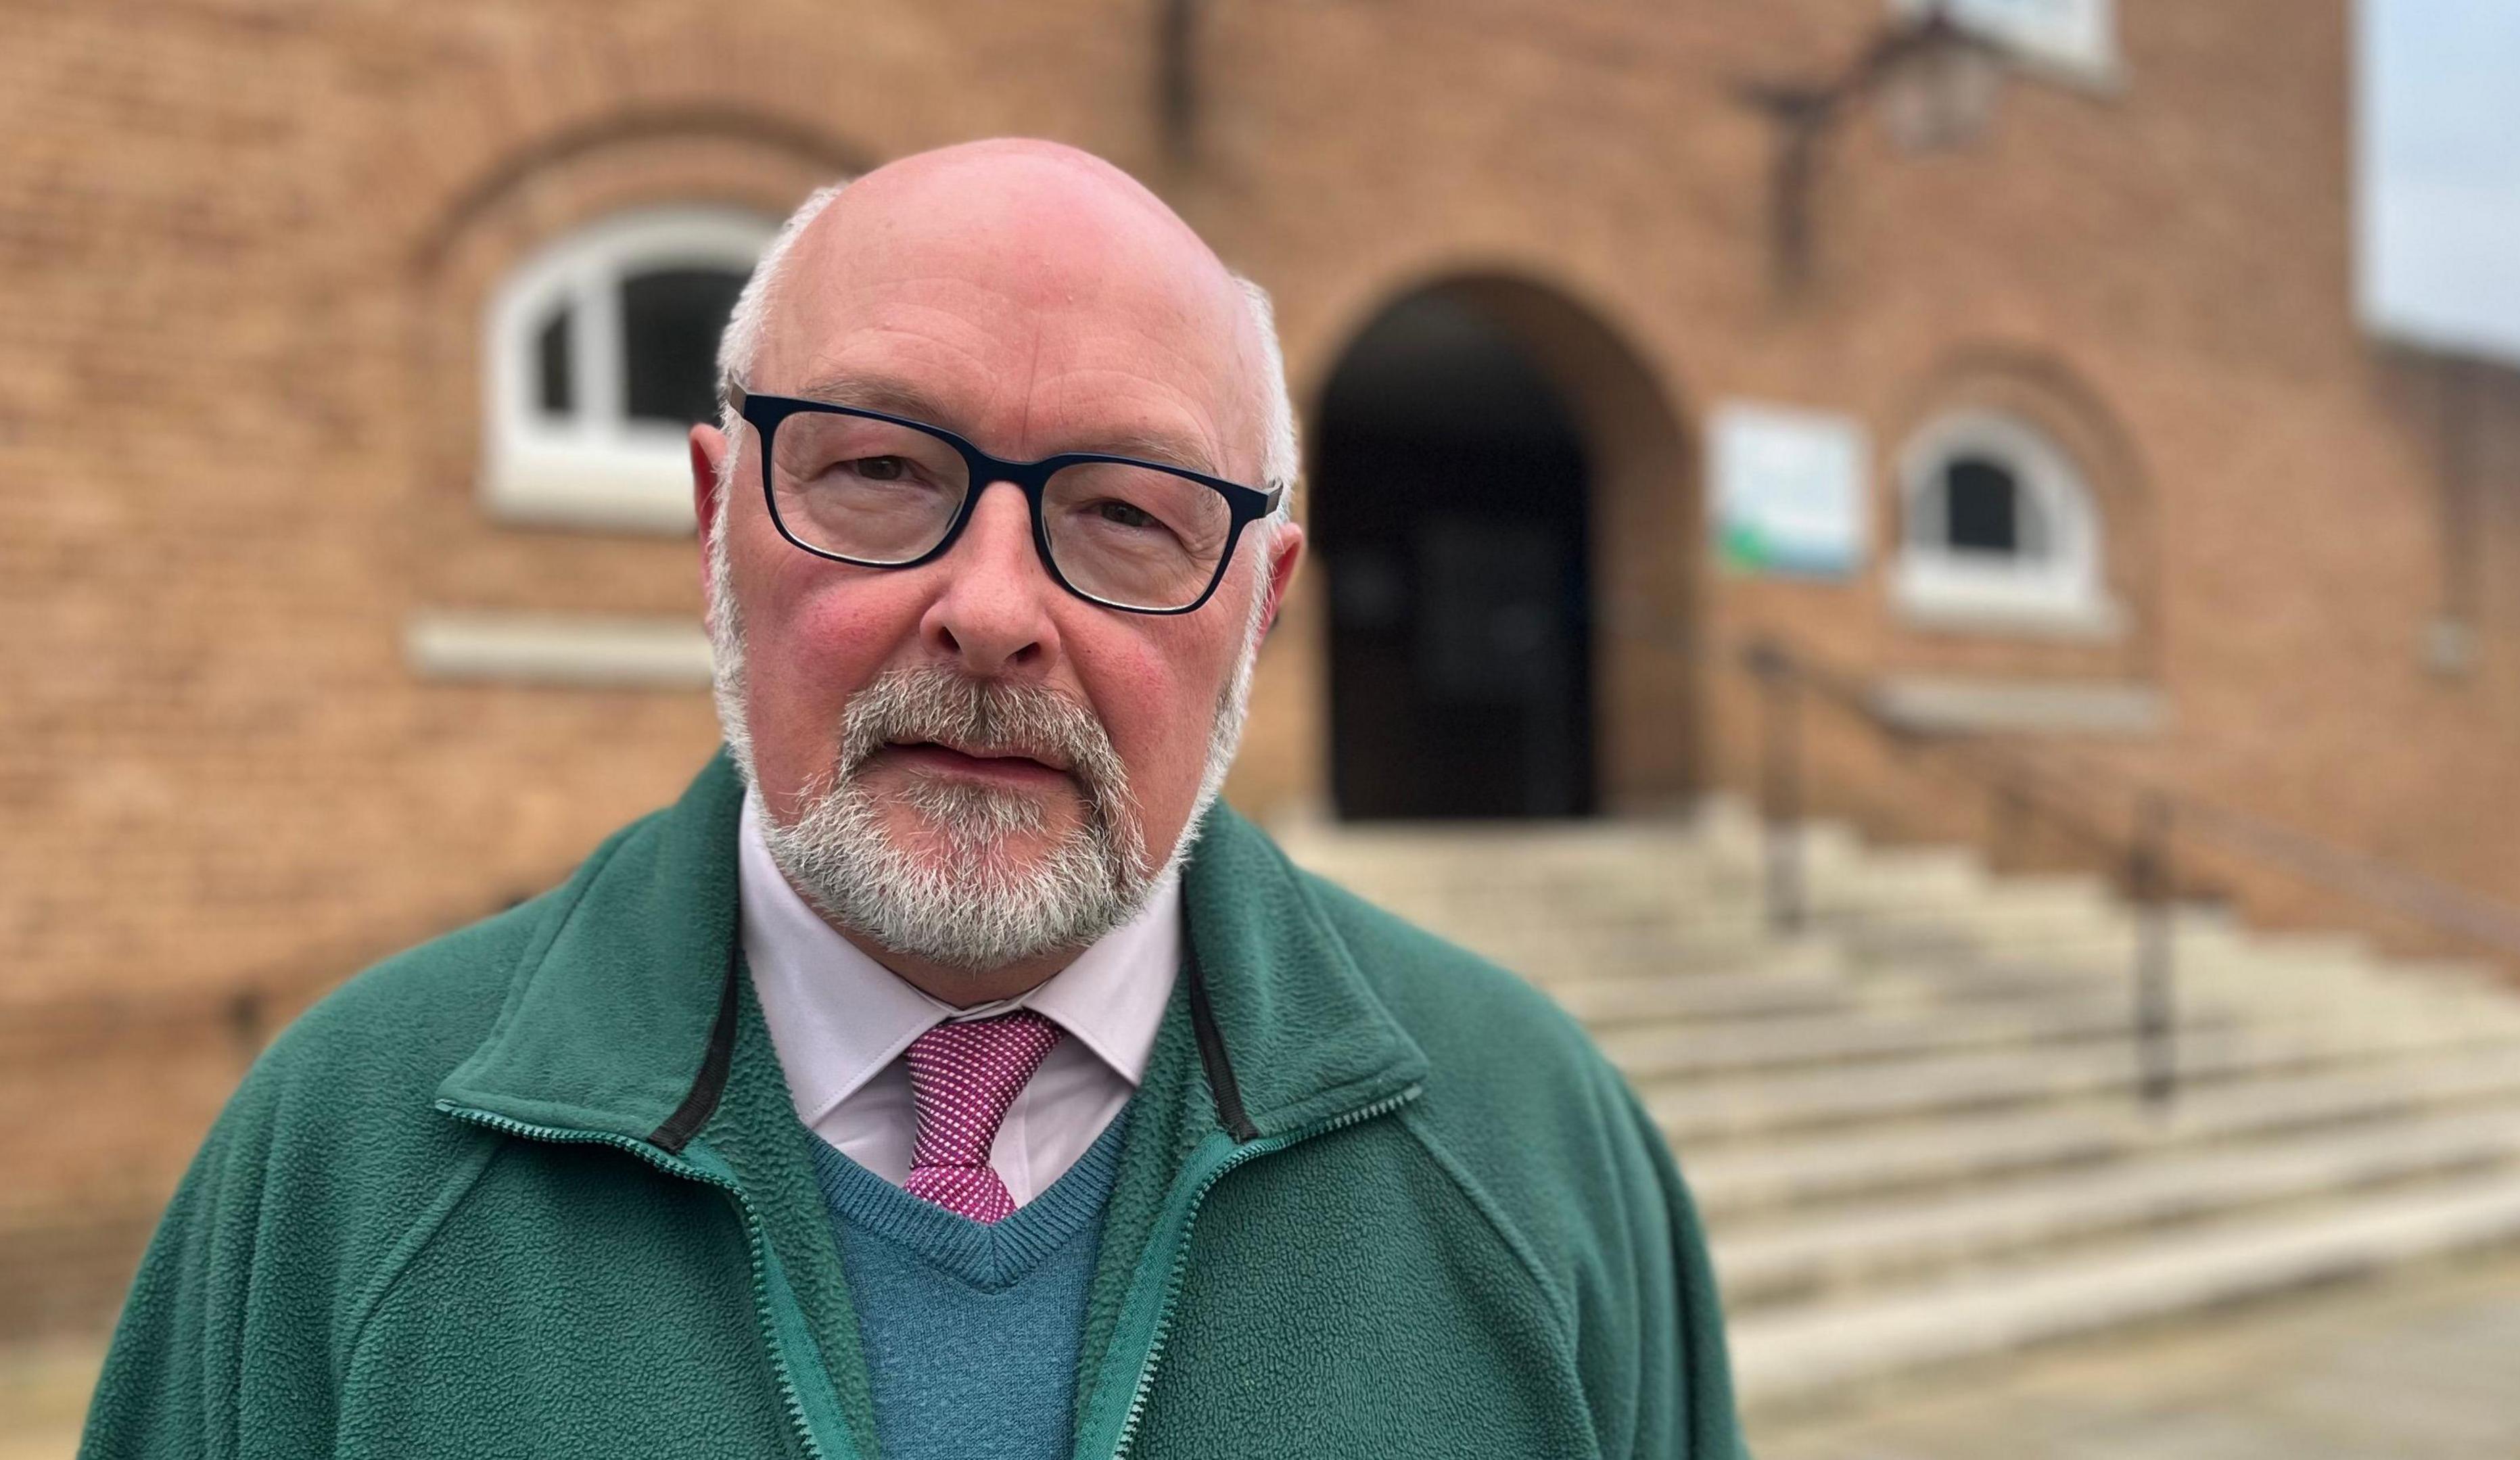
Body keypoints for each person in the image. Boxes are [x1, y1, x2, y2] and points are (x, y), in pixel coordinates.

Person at [80, 139, 1747, 1459]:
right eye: (881, 471)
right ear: (719, 516)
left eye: (1123, 511)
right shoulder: (348, 1160)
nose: (996, 607)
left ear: (1266, 601)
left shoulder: (1537, 1147)